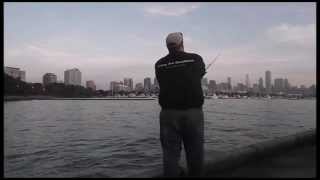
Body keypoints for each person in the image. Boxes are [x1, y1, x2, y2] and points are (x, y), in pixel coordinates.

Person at [155, 32, 206, 177]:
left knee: (170, 154)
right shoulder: (195, 58)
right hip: (192, 112)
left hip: (168, 114)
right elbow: (200, 73)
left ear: (167, 46)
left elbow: (164, 80)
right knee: (195, 152)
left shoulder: (159, 64)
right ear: (182, 43)